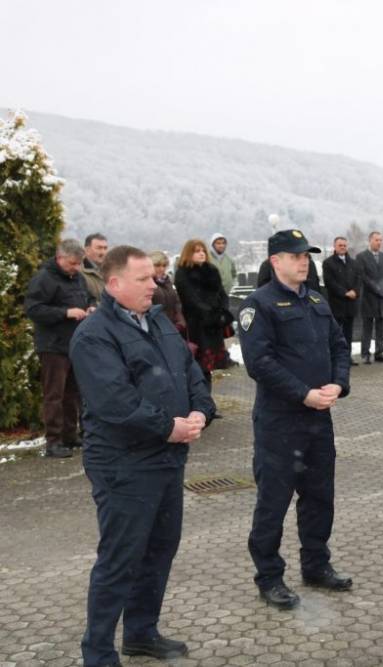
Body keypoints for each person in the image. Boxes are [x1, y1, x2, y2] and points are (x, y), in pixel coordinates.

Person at [70, 245, 215, 667]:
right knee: (120, 558)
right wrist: (168, 426)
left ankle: (140, 633)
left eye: (153, 277)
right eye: (143, 279)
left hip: (168, 459)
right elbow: (116, 401)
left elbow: (190, 372)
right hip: (124, 464)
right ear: (114, 284)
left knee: (159, 549)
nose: (154, 285)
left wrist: (199, 410)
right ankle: (97, 652)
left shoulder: (157, 321)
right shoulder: (95, 335)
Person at [238, 229, 353, 610]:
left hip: (319, 420)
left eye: (307, 255)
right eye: (295, 256)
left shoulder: (317, 300)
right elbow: (260, 363)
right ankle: (269, 577)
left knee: (320, 497)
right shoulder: (259, 305)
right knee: (274, 502)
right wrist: (303, 393)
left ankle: (316, 565)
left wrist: (339, 383)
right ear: (275, 261)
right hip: (280, 423)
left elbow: (338, 344)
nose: (304, 261)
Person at [24, 238, 95, 458]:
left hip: (75, 344)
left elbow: (90, 296)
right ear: (60, 257)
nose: (76, 268)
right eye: (72, 264)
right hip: (53, 346)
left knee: (73, 394)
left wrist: (91, 306)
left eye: (78, 264)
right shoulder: (44, 279)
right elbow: (34, 309)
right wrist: (65, 313)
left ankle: (70, 436)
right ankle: (52, 442)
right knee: (54, 395)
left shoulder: (77, 278)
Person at [173, 239, 232, 390]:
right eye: (196, 251)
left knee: (209, 368)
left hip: (214, 325)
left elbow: (222, 294)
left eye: (203, 251)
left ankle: (208, 405)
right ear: (188, 253)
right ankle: (201, 405)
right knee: (198, 367)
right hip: (196, 325)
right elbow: (191, 299)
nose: (201, 254)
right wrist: (211, 314)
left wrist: (223, 312)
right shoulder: (182, 273)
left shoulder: (212, 270)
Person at [322, 236, 363, 365]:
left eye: (344, 245)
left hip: (351, 305)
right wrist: (345, 293)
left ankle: (347, 357)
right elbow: (330, 282)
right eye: (340, 245)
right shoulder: (328, 263)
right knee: (335, 333)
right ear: (334, 246)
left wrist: (355, 292)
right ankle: (335, 358)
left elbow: (358, 280)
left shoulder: (354, 263)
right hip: (337, 304)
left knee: (348, 334)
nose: (343, 247)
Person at [355, 231, 383, 363]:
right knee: (367, 327)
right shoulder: (361, 257)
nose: (379, 242)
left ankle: (379, 353)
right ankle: (365, 354)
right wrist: (377, 289)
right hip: (368, 298)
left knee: (380, 327)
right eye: (377, 240)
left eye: (381, 240)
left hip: (382, 298)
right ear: (370, 241)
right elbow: (363, 276)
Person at [149, 251, 186, 332]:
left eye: (164, 265)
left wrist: (180, 322)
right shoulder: (146, 284)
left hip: (173, 327)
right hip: (157, 329)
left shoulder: (167, 281)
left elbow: (177, 303)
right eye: (157, 265)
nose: (162, 269)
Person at [208, 233, 238, 298]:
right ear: (212, 245)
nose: (221, 245)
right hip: (210, 297)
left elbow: (234, 275)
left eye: (223, 243)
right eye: (218, 243)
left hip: (226, 296)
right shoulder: (207, 259)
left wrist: (231, 284)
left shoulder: (229, 260)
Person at [81, 233, 108, 303]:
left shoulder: (112, 270)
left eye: (105, 248)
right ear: (87, 250)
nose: (103, 252)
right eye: (99, 248)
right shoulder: (79, 273)